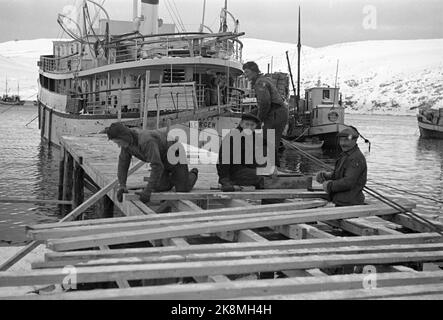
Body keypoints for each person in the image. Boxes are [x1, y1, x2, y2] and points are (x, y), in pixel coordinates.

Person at [107, 122, 199, 203]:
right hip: (162, 158)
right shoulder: (126, 144)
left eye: (119, 142)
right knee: (159, 187)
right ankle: (173, 178)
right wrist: (122, 185)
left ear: (124, 136)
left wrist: (147, 191)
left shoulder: (146, 141)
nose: (119, 146)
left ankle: (193, 173)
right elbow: (123, 163)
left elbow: (157, 166)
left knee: (182, 189)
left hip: (175, 156)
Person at [243, 61, 289, 167]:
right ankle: (274, 168)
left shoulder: (260, 83)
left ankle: (267, 169)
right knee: (271, 143)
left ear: (254, 71)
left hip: (275, 113)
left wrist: (259, 120)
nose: (246, 75)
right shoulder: (264, 80)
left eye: (247, 72)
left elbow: (265, 103)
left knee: (265, 141)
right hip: (280, 112)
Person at [315, 127, 367, 206]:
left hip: (350, 203)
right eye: (341, 140)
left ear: (355, 140)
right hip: (339, 200)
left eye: (346, 140)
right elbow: (340, 174)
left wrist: (329, 186)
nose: (343, 143)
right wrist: (326, 176)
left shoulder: (356, 158)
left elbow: (348, 182)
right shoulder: (344, 155)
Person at [217, 113, 265, 192]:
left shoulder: (253, 137)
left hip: (244, 169)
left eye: (252, 125)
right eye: (247, 124)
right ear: (241, 124)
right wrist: (224, 180)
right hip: (233, 171)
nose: (249, 127)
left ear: (255, 127)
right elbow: (224, 160)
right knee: (260, 177)